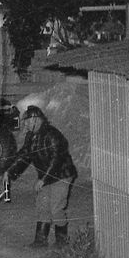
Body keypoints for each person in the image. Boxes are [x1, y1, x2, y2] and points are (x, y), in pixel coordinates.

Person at [4, 105, 78, 247]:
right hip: (47, 176)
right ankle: (40, 241)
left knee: (56, 208)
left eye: (27, 121)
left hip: (61, 175)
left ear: (35, 119)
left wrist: (43, 180)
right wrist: (10, 171)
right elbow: (24, 155)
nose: (25, 125)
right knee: (42, 206)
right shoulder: (31, 136)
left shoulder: (52, 135)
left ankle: (62, 242)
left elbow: (56, 160)